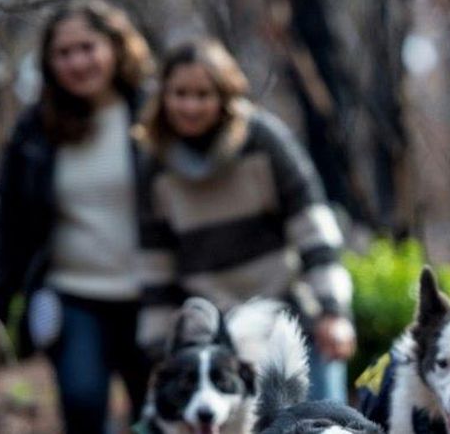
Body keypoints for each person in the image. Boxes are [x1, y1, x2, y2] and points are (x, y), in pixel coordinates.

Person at [0, 0, 175, 434]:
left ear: (115, 48)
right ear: (48, 62)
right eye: (64, 52)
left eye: (87, 47)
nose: (77, 62)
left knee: (156, 413)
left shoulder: (154, 115)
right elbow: (9, 230)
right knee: (82, 405)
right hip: (73, 298)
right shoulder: (34, 132)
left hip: (152, 296)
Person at [135, 38, 357, 402]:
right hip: (212, 333)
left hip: (288, 312)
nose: (190, 105)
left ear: (224, 95)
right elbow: (155, 264)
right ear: (164, 97)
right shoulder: (154, 166)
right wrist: (159, 349)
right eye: (180, 93)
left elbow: (314, 230)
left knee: (323, 417)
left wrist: (334, 311)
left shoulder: (263, 141)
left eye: (203, 94)